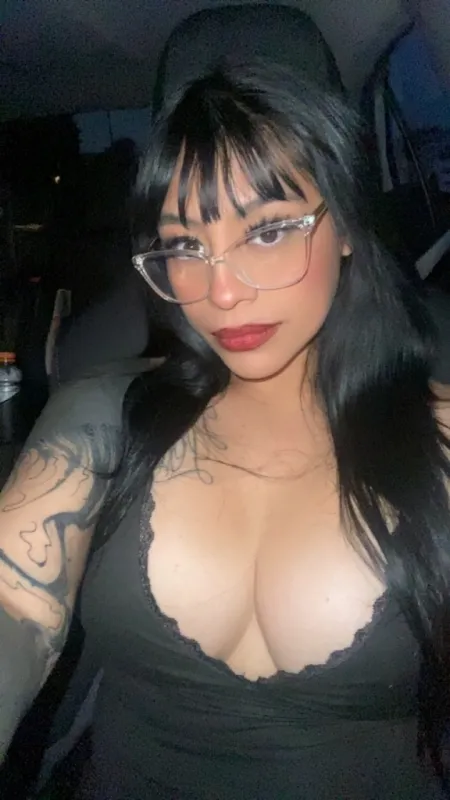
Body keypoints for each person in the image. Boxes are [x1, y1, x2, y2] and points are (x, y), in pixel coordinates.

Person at [1, 61, 450, 799]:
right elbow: (14, 604)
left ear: (346, 225)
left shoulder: (440, 442)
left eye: (267, 231)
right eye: (184, 246)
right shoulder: (105, 416)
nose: (222, 291)